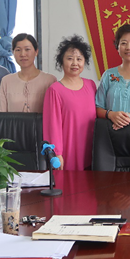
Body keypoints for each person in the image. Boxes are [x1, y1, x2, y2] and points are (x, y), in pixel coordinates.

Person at [43, 35, 96, 171]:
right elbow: (52, 126)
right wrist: (57, 153)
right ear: (61, 61)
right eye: (70, 58)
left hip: (92, 151)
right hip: (68, 153)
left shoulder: (91, 85)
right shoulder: (55, 90)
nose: (75, 63)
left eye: (79, 59)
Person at [0, 33, 56, 112]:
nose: (23, 54)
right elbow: (1, 114)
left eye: (27, 49)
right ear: (13, 53)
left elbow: (54, 112)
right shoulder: (6, 81)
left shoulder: (50, 80)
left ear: (36, 52)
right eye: (18, 50)